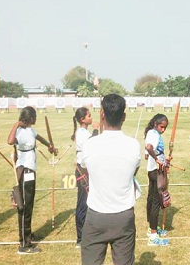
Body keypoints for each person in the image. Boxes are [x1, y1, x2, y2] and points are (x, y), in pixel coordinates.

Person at [80, 94, 141, 265]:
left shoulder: (90, 145)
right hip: (124, 216)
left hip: (96, 216)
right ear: (124, 116)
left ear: (102, 114)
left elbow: (85, 169)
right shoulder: (133, 145)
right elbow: (133, 172)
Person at [7, 106, 57, 254]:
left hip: (31, 170)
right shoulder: (21, 132)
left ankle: (27, 234)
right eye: (34, 117)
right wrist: (16, 124)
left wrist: (49, 145)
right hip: (24, 170)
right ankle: (24, 244)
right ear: (30, 118)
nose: (36, 119)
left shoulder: (30, 130)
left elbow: (38, 137)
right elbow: (10, 141)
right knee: (24, 207)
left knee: (29, 205)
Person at [71, 107, 98, 249]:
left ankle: (87, 234)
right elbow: (91, 144)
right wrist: (96, 130)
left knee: (88, 202)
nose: (91, 117)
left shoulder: (82, 132)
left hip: (86, 169)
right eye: (89, 116)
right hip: (82, 170)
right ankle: (80, 238)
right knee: (82, 203)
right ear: (82, 119)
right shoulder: (82, 133)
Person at [144, 113, 170, 246]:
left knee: (151, 198)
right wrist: (157, 159)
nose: (163, 130)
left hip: (152, 170)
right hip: (156, 171)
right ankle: (153, 236)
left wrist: (164, 159)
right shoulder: (154, 134)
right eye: (161, 127)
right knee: (156, 202)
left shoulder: (150, 132)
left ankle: (151, 228)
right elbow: (149, 148)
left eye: (165, 127)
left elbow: (147, 152)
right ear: (155, 124)